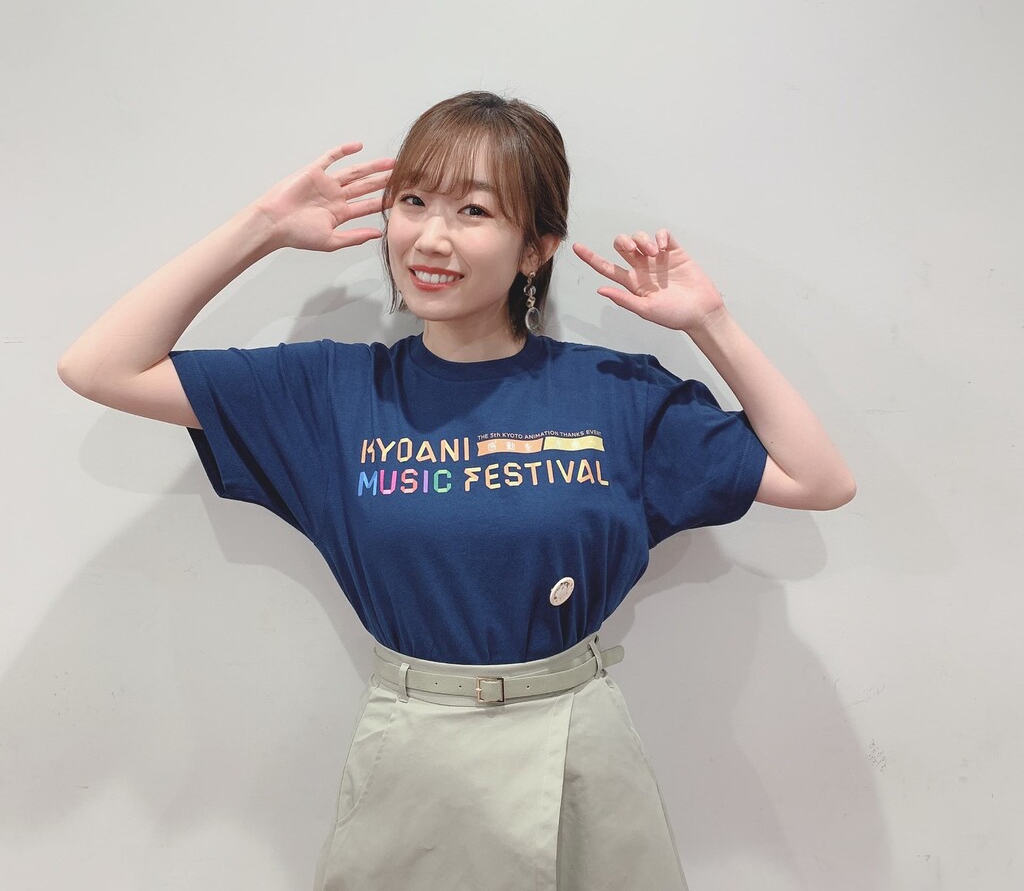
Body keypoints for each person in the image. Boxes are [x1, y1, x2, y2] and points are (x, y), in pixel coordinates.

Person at [58, 90, 855, 890]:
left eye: (473, 211)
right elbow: (99, 368)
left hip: (577, 750)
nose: (431, 237)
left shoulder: (613, 392)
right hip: (416, 755)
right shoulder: (333, 392)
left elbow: (818, 479)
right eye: (412, 202)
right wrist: (261, 227)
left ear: (535, 248)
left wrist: (710, 322)